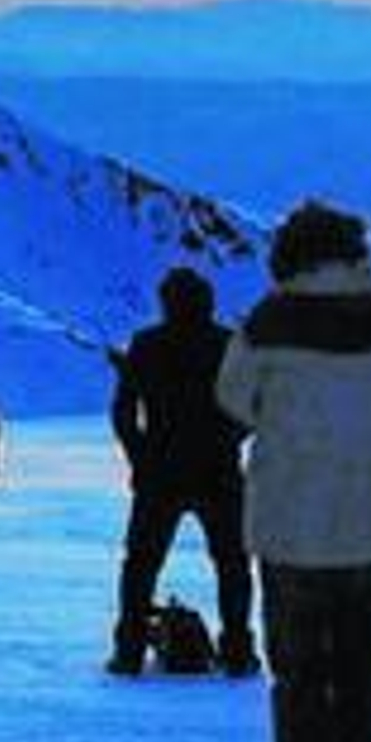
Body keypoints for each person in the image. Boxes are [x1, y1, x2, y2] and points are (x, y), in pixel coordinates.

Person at [217, 202, 371, 742]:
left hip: (289, 515)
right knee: (360, 663)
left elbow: (231, 398)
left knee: (300, 671)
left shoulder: (270, 319)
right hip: (366, 512)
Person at [106, 267, 256, 677]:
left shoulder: (147, 345)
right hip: (218, 471)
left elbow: (123, 411)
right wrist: (227, 441)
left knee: (141, 563)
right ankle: (238, 650)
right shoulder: (228, 345)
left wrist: (140, 455)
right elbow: (252, 409)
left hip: (161, 472)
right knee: (232, 563)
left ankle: (130, 649)